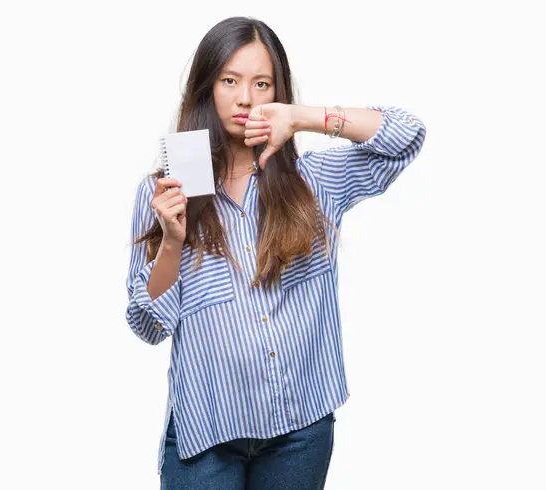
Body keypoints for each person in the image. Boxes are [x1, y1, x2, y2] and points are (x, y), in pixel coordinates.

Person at [125, 16, 426, 490]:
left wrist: (306, 117)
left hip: (299, 431)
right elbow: (147, 325)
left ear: (277, 92)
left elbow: (406, 136)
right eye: (229, 81)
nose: (245, 98)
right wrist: (172, 242)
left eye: (261, 83)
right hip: (207, 436)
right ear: (207, 88)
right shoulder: (165, 193)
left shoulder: (316, 182)